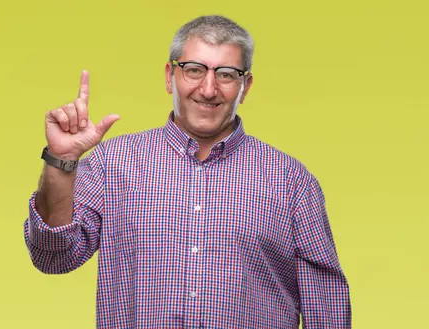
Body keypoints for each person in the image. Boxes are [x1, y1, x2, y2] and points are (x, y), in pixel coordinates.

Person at [23, 15, 351, 329]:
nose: (208, 89)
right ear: (170, 76)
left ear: (245, 86)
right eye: (194, 70)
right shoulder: (115, 163)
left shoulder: (291, 181)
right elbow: (54, 257)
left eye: (225, 74)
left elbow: (327, 307)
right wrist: (60, 161)